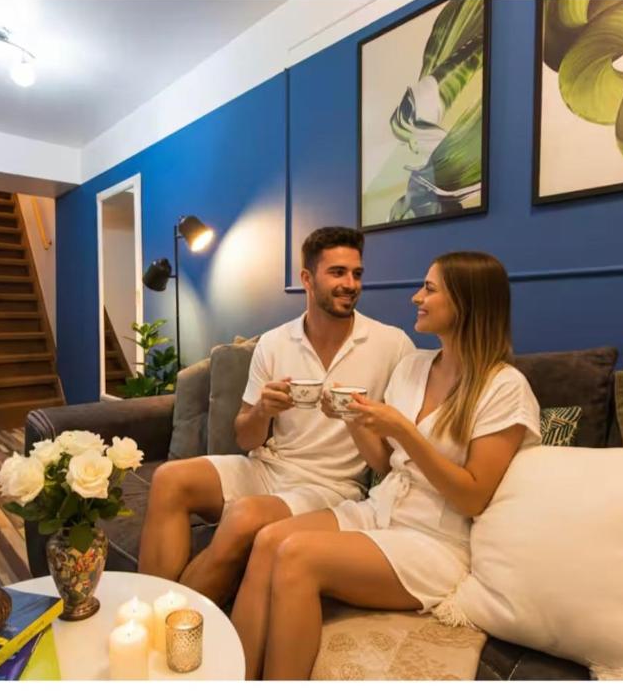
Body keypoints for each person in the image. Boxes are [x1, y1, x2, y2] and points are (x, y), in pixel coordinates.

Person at [230, 251, 542, 680]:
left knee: (296, 556)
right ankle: (233, 679)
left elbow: (473, 498)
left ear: (465, 302)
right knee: (268, 539)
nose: (417, 297)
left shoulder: (504, 387)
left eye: (429, 289)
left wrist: (406, 432)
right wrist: (352, 418)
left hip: (436, 541)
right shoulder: (413, 367)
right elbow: (384, 462)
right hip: (381, 510)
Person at [137, 227, 415, 606]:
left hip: (331, 486)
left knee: (245, 516)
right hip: (266, 467)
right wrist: (262, 411)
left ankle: (166, 620)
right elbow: (245, 438)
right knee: (169, 478)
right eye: (337, 273)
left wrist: (356, 418)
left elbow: (393, 460)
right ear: (307, 279)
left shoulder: (392, 345)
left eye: (357, 273)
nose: (350, 284)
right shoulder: (274, 342)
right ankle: (147, 606)